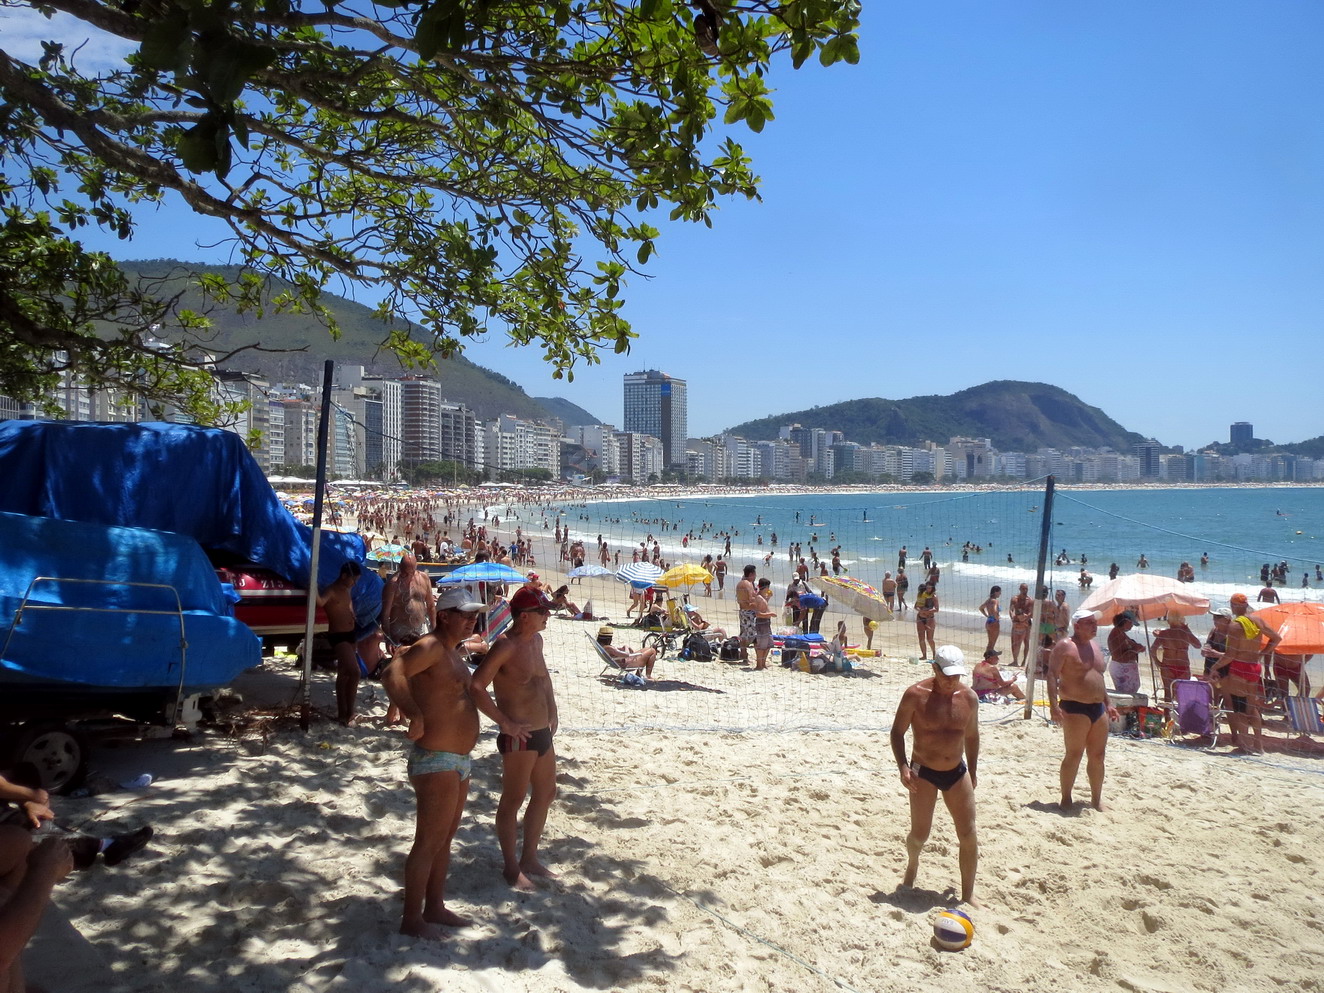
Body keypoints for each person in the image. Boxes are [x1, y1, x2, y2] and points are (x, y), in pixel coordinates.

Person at [380, 586, 490, 937]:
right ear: (444, 615)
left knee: (444, 839)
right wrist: (413, 713)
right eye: (466, 614)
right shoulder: (430, 646)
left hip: (459, 760)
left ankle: (435, 907)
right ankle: (412, 920)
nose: (473, 619)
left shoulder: (453, 652)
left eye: (475, 614)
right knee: (428, 841)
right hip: (436, 758)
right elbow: (391, 673)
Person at [470, 586, 560, 888]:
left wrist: (554, 711)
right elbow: (477, 686)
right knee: (513, 800)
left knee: (547, 792)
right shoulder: (505, 646)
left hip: (541, 731)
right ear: (524, 616)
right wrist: (504, 723)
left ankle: (529, 858)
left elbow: (543, 678)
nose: (547, 615)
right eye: (541, 611)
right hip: (518, 734)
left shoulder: (536, 640)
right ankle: (511, 867)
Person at [889, 645, 981, 908]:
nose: (952, 681)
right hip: (923, 772)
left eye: (957, 676)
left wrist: (972, 771)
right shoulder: (915, 695)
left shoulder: (969, 698)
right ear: (934, 668)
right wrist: (903, 766)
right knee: (920, 834)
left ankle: (968, 893)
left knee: (969, 833)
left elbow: (972, 736)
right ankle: (912, 866)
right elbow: (897, 732)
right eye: (946, 675)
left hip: (957, 771)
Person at [1047, 609, 1119, 810]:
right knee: (1074, 754)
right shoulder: (1065, 646)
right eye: (1089, 623)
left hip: (1098, 708)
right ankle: (1066, 799)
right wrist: (1053, 705)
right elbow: (1052, 674)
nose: (1094, 626)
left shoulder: (1096, 647)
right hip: (1074, 706)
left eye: (1094, 622)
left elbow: (1099, 678)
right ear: (1077, 625)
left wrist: (1109, 703)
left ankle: (1096, 800)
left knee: (1098, 756)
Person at [1222, 593, 1282, 752]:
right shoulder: (1258, 620)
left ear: (1233, 605)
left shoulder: (1235, 625)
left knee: (1239, 706)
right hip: (1254, 666)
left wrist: (1215, 668)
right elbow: (1277, 638)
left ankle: (1244, 744)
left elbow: (1230, 655)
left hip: (1239, 666)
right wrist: (1262, 653)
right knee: (1252, 705)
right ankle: (1258, 745)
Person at [318, 561, 364, 724]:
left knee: (344, 674)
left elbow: (347, 605)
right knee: (354, 672)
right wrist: (313, 589)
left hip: (351, 634)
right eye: (353, 579)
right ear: (344, 576)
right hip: (338, 635)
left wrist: (352, 613)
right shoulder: (331, 590)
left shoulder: (347, 590)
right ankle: (349, 711)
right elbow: (321, 602)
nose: (354, 583)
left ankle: (343, 713)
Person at [382, 553, 436, 649]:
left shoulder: (424, 578)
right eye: (404, 573)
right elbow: (385, 614)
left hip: (420, 628)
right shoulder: (393, 584)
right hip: (400, 629)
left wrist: (434, 630)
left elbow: (431, 606)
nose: (406, 576)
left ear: (415, 568)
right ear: (400, 567)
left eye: (409, 573)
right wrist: (388, 639)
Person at [1149, 612, 1201, 700]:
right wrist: (1188, 631)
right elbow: (1198, 645)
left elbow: (1152, 649)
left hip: (1167, 666)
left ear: (1169, 621)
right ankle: (1180, 713)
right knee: (1182, 696)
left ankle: (1166, 713)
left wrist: (1157, 661)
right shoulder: (1185, 633)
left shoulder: (1164, 634)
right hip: (1183, 667)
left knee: (1168, 694)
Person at [1106, 610, 1144, 694]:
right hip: (1121, 668)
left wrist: (1137, 646)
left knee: (1130, 692)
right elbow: (1119, 657)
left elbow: (1130, 644)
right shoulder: (1116, 634)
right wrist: (1135, 650)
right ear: (1125, 622)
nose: (1132, 626)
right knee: (1126, 694)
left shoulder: (1121, 633)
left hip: (1124, 668)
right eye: (1131, 624)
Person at [752, 578, 778, 670]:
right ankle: (759, 665)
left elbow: (764, 605)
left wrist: (768, 597)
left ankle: (763, 663)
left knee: (769, 644)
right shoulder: (758, 597)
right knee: (761, 645)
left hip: (767, 623)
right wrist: (770, 614)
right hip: (761, 623)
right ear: (766, 587)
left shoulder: (762, 597)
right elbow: (758, 614)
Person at [735, 564, 758, 663]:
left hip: (742, 611)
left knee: (744, 634)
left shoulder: (740, 583)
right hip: (749, 612)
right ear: (752, 574)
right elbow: (751, 600)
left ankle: (743, 654)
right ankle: (760, 659)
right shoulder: (748, 584)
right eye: (755, 573)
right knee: (755, 635)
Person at [913, 582, 938, 660]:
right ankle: (924, 655)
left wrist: (928, 611)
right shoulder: (921, 595)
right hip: (920, 617)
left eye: (929, 588)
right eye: (927, 588)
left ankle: (934, 654)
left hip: (930, 618)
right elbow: (915, 606)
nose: (928, 589)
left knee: (930, 638)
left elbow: (937, 609)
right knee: (921, 638)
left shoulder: (934, 597)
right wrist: (920, 611)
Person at [978, 585, 1001, 654]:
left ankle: (989, 654)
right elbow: (994, 610)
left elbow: (981, 608)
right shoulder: (995, 601)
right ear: (995, 592)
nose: (1000, 594)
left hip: (988, 621)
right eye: (999, 592)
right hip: (994, 622)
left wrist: (987, 615)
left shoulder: (988, 600)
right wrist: (997, 617)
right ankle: (990, 655)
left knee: (990, 642)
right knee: (992, 642)